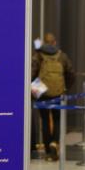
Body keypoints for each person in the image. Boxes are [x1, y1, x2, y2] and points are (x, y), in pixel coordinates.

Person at [31, 33, 75, 161]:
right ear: (54, 42)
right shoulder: (62, 56)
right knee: (57, 119)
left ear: (44, 42)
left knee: (44, 120)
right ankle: (54, 144)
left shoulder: (38, 55)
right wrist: (65, 88)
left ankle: (47, 150)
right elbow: (71, 73)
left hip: (43, 93)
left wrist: (35, 90)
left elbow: (32, 73)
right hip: (58, 93)